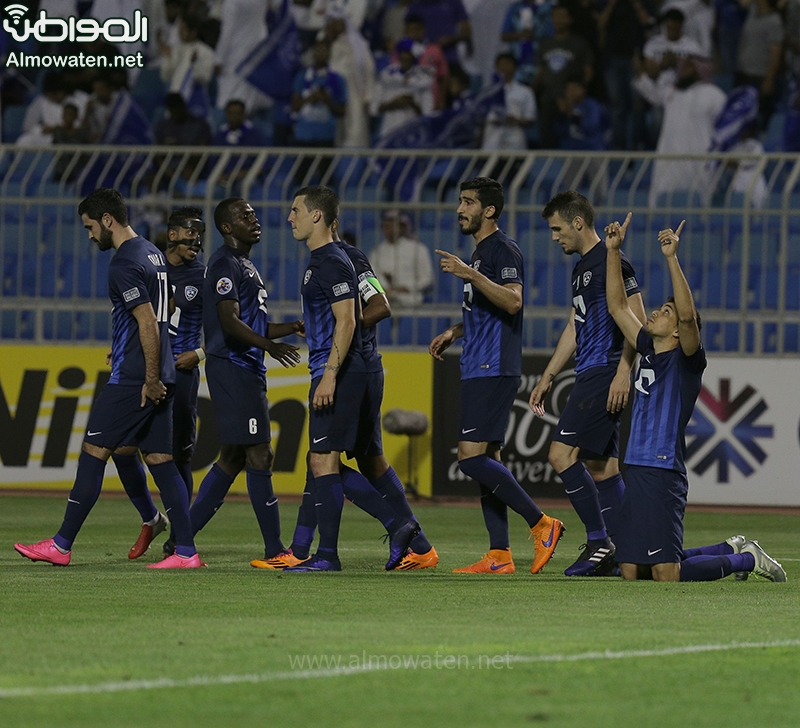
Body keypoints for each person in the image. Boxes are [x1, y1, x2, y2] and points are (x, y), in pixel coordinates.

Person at [14, 188, 204, 569]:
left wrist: (148, 377)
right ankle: (186, 551)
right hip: (161, 371)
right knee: (162, 462)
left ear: (106, 221)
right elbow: (155, 321)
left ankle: (62, 544)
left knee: (93, 451)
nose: (88, 235)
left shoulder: (124, 263)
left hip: (136, 378)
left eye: (89, 227)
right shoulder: (153, 252)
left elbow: (148, 321)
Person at [604, 214, 786, 583]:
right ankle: (729, 549)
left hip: (663, 470)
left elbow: (688, 320)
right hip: (636, 467)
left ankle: (746, 560)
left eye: (665, 312)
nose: (655, 312)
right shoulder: (648, 349)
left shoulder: (686, 359)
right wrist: (613, 253)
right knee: (631, 572)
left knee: (665, 574)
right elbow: (617, 307)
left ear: (675, 332)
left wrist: (671, 258)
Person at [259, 216, 437, 571]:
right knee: (364, 461)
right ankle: (420, 547)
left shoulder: (344, 260)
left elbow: (379, 307)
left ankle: (387, 531)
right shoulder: (352, 257)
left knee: (322, 459)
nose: (290, 217)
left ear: (323, 219)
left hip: (347, 368)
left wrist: (338, 333)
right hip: (363, 366)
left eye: (297, 209)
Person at [429, 177, 564, 575]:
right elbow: (486, 309)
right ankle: (499, 555)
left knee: (469, 459)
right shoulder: (481, 253)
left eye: (468, 202)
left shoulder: (502, 250)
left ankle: (542, 523)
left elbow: (513, 299)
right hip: (478, 363)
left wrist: (469, 275)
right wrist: (456, 330)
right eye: (459, 201)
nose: (460, 209)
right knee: (489, 459)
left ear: (489, 210)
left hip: (493, 365)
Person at [529, 190, 646, 576]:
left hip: (604, 372)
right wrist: (548, 375)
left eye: (557, 228)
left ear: (578, 223)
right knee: (602, 468)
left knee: (560, 456)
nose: (554, 236)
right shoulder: (582, 268)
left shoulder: (615, 262)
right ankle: (633, 546)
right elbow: (575, 326)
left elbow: (639, 323)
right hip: (590, 371)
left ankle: (599, 542)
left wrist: (622, 374)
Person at [183, 198, 303, 563]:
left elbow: (253, 322)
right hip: (234, 366)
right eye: (244, 216)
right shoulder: (223, 264)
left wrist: (292, 327)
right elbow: (230, 321)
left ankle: (180, 538)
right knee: (260, 453)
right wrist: (269, 345)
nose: (254, 219)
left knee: (233, 457)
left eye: (254, 214)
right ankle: (275, 550)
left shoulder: (243, 264)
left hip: (245, 366)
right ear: (227, 228)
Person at [119, 207, 208, 560]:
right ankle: (150, 518)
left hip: (181, 377)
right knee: (122, 449)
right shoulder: (148, 268)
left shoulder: (204, 276)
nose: (196, 240)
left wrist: (198, 354)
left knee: (178, 459)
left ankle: (178, 541)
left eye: (200, 235)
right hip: (144, 371)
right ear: (172, 234)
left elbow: (224, 330)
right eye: (190, 232)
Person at [633, 55, 727, 207]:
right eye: (682, 66)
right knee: (662, 208)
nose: (682, 70)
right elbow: (647, 88)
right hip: (669, 162)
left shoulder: (714, 95)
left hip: (699, 163)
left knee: (698, 210)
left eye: (689, 66)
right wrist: (640, 69)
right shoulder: (671, 93)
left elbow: (726, 129)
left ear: (699, 70)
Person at [369, 210, 435, 309]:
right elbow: (371, 276)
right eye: (387, 226)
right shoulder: (376, 252)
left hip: (411, 300)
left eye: (393, 225)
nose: (390, 229)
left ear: (401, 227)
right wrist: (385, 288)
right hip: (384, 300)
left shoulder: (418, 249)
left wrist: (408, 287)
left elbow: (427, 278)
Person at [371, 38, 435, 139]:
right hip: (389, 132)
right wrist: (394, 104)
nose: (405, 57)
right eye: (403, 53)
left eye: (409, 54)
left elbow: (427, 115)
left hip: (413, 134)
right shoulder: (386, 75)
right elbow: (373, 108)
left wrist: (412, 103)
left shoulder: (423, 80)